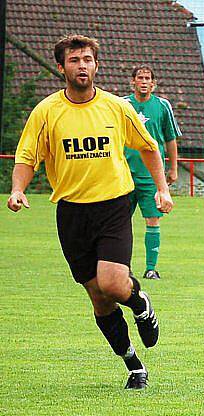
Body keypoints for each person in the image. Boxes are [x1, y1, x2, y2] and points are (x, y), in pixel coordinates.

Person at [6, 35, 173, 389]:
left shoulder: (116, 107)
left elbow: (148, 147)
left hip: (113, 205)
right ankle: (133, 364)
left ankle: (139, 300)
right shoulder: (47, 111)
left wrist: (162, 187)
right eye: (74, 60)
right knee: (98, 298)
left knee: (113, 284)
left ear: (96, 65)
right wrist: (18, 189)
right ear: (61, 66)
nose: (81, 66)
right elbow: (26, 157)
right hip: (71, 213)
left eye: (87, 59)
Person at [124, 65, 181, 280]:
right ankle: (124, 268)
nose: (144, 81)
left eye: (148, 78)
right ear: (133, 82)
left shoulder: (162, 106)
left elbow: (170, 138)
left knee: (153, 219)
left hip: (151, 175)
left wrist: (173, 168)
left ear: (154, 83)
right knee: (121, 222)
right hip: (125, 173)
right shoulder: (123, 104)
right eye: (140, 78)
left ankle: (150, 268)